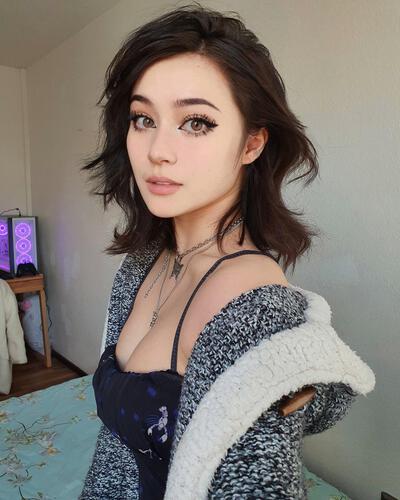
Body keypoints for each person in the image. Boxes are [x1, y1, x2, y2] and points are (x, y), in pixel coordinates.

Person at [79, 3, 375, 499]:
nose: (157, 151)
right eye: (143, 118)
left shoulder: (255, 311)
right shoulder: (142, 264)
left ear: (252, 144)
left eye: (196, 122)